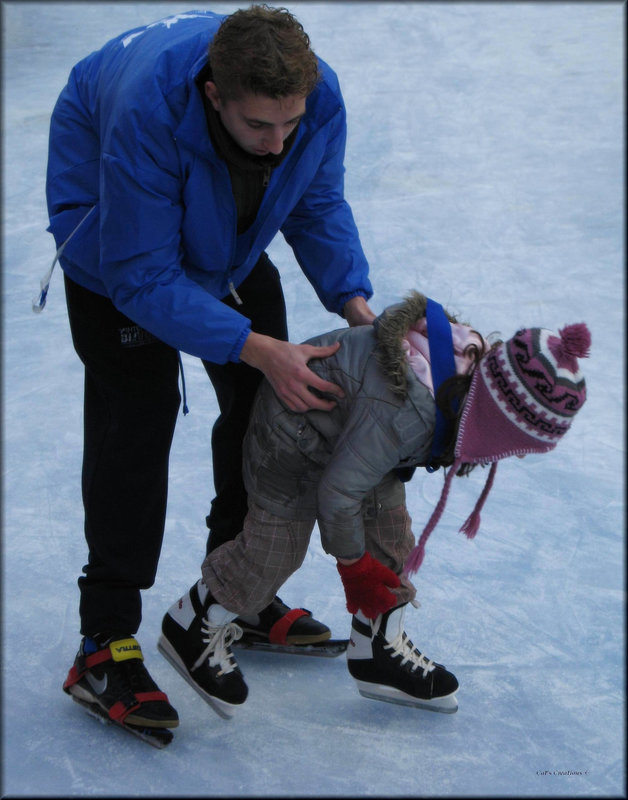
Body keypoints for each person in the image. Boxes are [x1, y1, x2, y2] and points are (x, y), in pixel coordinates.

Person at [45, 6, 377, 739]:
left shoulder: (311, 99)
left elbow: (317, 204)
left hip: (218, 222)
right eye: (261, 126)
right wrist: (257, 344)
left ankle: (234, 592)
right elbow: (140, 275)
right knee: (138, 414)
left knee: (270, 403)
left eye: (290, 123)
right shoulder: (146, 118)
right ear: (213, 95)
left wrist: (360, 311)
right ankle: (104, 641)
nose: (279, 141)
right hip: (114, 240)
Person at [158, 290, 590, 717]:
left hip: (354, 435)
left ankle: (375, 651)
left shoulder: (465, 381)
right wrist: (354, 569)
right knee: (276, 550)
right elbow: (338, 496)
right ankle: (192, 621)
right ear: (496, 418)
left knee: (391, 532)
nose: (512, 455)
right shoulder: (409, 411)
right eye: (514, 444)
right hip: (292, 435)